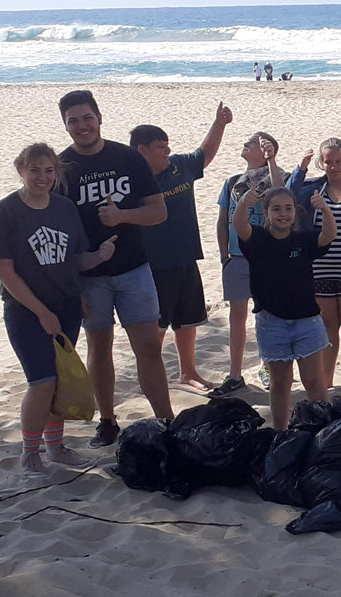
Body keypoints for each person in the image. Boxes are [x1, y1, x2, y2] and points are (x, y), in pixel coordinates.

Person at [0, 144, 117, 475]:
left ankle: (55, 448)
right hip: (25, 309)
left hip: (66, 305)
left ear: (57, 173)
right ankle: (30, 452)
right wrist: (41, 312)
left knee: (59, 381)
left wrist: (98, 257)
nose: (42, 178)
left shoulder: (65, 208)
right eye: (34, 171)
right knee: (40, 380)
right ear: (21, 171)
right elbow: (4, 270)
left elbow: (75, 259)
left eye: (49, 171)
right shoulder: (5, 211)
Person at [56, 90, 173, 448]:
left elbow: (158, 212)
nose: (82, 126)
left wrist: (123, 215)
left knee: (149, 348)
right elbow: (59, 234)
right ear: (65, 125)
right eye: (73, 121)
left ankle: (166, 420)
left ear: (100, 117)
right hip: (89, 277)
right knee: (99, 347)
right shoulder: (61, 169)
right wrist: (74, 286)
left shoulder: (127, 157)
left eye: (87, 118)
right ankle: (107, 421)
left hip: (133, 269)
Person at [130, 101, 233, 392]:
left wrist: (219, 124)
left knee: (188, 321)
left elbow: (204, 155)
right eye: (161, 146)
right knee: (157, 327)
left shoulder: (178, 167)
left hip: (186, 256)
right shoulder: (132, 180)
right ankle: (154, 377)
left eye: (168, 145)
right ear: (142, 151)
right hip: (152, 265)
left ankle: (187, 373)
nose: (167, 151)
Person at [234, 186, 335, 430]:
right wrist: (244, 204)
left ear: (295, 212)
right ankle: (279, 431)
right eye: (276, 209)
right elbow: (240, 225)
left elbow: (328, 235)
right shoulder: (257, 239)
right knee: (280, 383)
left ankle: (322, 431)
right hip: (271, 322)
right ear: (266, 213)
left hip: (307, 322)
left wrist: (324, 209)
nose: (283, 214)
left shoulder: (303, 238)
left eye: (288, 208)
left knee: (314, 381)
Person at [288, 138, 341, 392]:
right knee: (328, 325)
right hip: (319, 268)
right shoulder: (312, 189)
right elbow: (286, 194)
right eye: (328, 162)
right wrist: (301, 168)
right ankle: (328, 381)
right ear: (321, 164)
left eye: (338, 161)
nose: (334, 166)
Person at [211, 131, 286, 397]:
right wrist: (223, 255)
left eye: (252, 143)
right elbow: (223, 219)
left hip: (264, 258)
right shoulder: (233, 181)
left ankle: (266, 365)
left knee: (265, 314)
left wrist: (271, 159)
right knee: (237, 317)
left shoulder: (275, 176)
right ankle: (235, 374)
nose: (246, 144)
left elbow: (281, 192)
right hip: (236, 258)